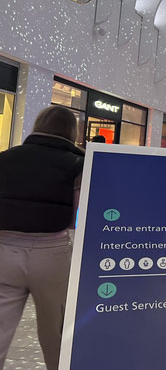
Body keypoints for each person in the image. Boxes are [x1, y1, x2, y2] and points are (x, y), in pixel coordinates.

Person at [0, 106, 85, 370]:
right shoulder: (77, 163)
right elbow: (78, 215)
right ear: (72, 131)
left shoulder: (5, 158)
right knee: (57, 331)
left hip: (4, 251)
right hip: (53, 252)